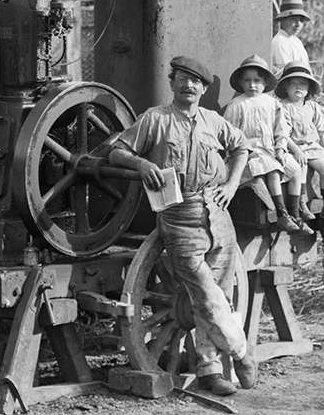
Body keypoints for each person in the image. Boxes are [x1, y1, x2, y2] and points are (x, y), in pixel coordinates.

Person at [108, 55, 258, 397]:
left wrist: (232, 185)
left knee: (216, 294)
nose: (189, 85)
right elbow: (115, 151)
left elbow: (242, 147)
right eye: (183, 79)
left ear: (203, 89)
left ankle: (209, 370)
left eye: (197, 82)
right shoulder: (155, 120)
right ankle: (242, 352)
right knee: (205, 294)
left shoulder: (213, 121)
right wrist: (140, 162)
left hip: (219, 215)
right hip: (179, 216)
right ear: (172, 82)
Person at [223, 55, 309, 235]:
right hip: (249, 153)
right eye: (247, 81)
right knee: (272, 170)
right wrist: (239, 150)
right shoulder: (236, 105)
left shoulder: (272, 104)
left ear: (265, 82)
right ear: (240, 82)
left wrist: (281, 148)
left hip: (271, 150)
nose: (252, 85)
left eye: (257, 80)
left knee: (295, 170)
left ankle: (296, 214)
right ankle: (281, 213)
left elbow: (281, 130)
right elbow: (229, 134)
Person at [275, 61, 324, 226]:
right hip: (294, 146)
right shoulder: (284, 107)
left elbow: (321, 131)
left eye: (303, 84)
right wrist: (296, 150)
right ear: (286, 87)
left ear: (309, 89)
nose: (299, 88)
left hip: (313, 146)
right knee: (302, 165)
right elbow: (283, 133)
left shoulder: (312, 106)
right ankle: (302, 203)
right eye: (294, 84)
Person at [270, 0, 311, 70]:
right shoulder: (280, 42)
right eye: (293, 19)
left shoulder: (296, 41)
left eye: (300, 20)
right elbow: (288, 74)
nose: (298, 24)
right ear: (283, 20)